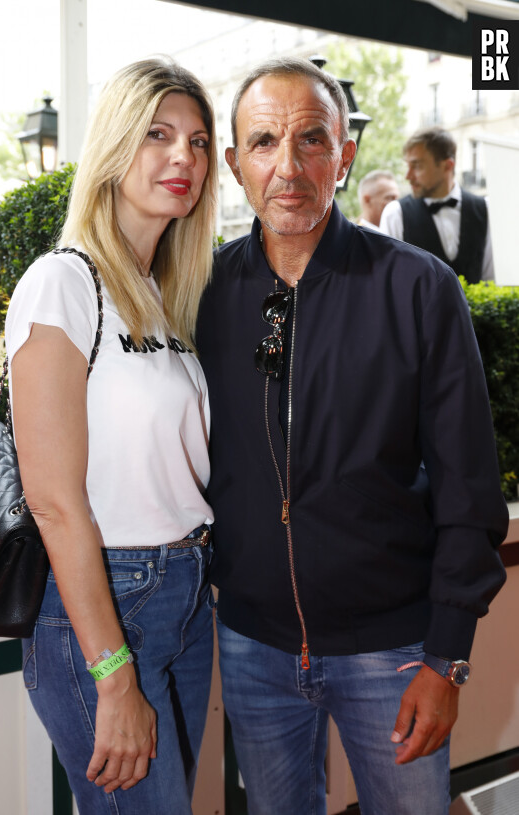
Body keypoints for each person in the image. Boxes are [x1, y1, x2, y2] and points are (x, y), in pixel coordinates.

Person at [196, 57, 508, 815]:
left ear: (345, 154)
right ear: (236, 165)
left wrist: (447, 655)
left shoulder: (418, 289)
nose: (289, 166)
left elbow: (470, 485)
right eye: (264, 142)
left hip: (395, 653)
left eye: (312, 140)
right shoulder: (204, 295)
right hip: (252, 646)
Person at [5, 58, 218, 815]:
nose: (183, 157)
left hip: (187, 595)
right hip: (105, 603)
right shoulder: (63, 283)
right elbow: (55, 500)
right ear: (114, 144)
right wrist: (114, 672)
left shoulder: (169, 294)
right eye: (158, 134)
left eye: (198, 141)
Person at [379, 126, 494, 282]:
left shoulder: (485, 209)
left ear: (447, 165)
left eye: (417, 166)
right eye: (408, 166)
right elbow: (389, 282)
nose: (408, 176)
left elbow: (491, 280)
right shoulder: (395, 213)